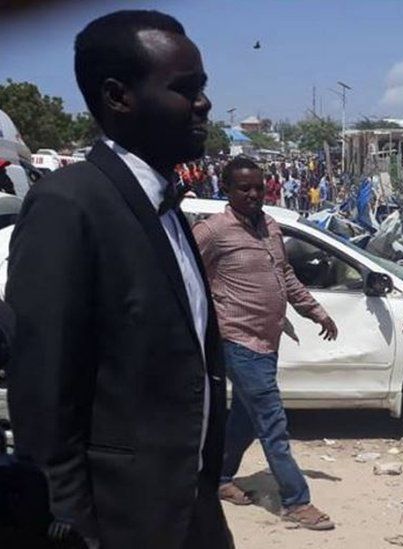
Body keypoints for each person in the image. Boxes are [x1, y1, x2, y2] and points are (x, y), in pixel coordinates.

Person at [6, 10, 233, 548]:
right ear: (118, 96)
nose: (203, 103)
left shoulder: (166, 208)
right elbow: (43, 391)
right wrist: (70, 523)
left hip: (188, 509)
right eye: (185, 88)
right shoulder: (70, 205)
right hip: (117, 522)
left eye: (202, 88)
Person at [193, 157, 339, 531]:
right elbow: (186, 276)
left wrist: (316, 311)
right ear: (227, 189)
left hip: (268, 339)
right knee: (273, 422)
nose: (254, 194)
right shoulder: (213, 232)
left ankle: (220, 479)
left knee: (244, 419)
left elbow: (285, 275)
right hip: (238, 341)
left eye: (258, 187)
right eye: (245, 188)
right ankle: (296, 500)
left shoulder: (269, 226)